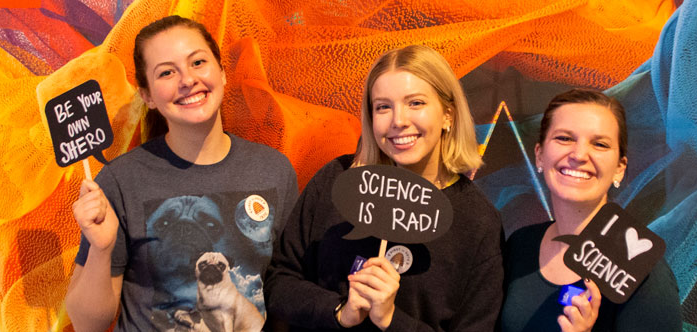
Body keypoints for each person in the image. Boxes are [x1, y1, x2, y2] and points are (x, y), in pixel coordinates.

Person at [65, 15, 298, 332]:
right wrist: (102, 250)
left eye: (198, 62)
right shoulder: (120, 181)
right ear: (146, 96)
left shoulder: (272, 170)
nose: (187, 80)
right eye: (166, 72)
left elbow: (287, 289)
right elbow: (87, 324)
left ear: (222, 72)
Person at [264, 44, 504, 331]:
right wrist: (340, 311)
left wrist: (391, 319)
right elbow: (280, 282)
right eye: (383, 107)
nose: (398, 121)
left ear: (447, 115)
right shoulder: (336, 179)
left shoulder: (477, 221)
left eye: (415, 103)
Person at [499, 89, 682, 331]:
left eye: (599, 144)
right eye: (564, 138)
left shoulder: (643, 275)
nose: (579, 154)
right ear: (540, 155)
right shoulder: (520, 245)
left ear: (619, 168)